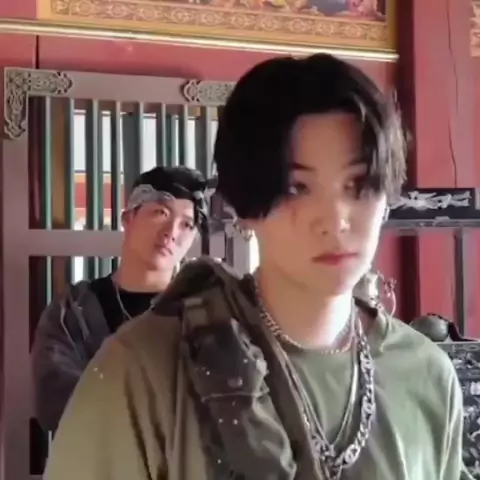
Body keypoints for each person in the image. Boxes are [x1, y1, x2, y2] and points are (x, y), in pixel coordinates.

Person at [44, 54, 472, 480]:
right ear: (245, 206)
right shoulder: (142, 370)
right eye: (297, 188)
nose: (335, 219)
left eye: (357, 185)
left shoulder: (425, 374)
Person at [31, 165, 209, 434]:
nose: (171, 232)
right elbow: (53, 400)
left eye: (187, 224)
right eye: (161, 213)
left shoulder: (202, 313)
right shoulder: (74, 311)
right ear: (128, 217)